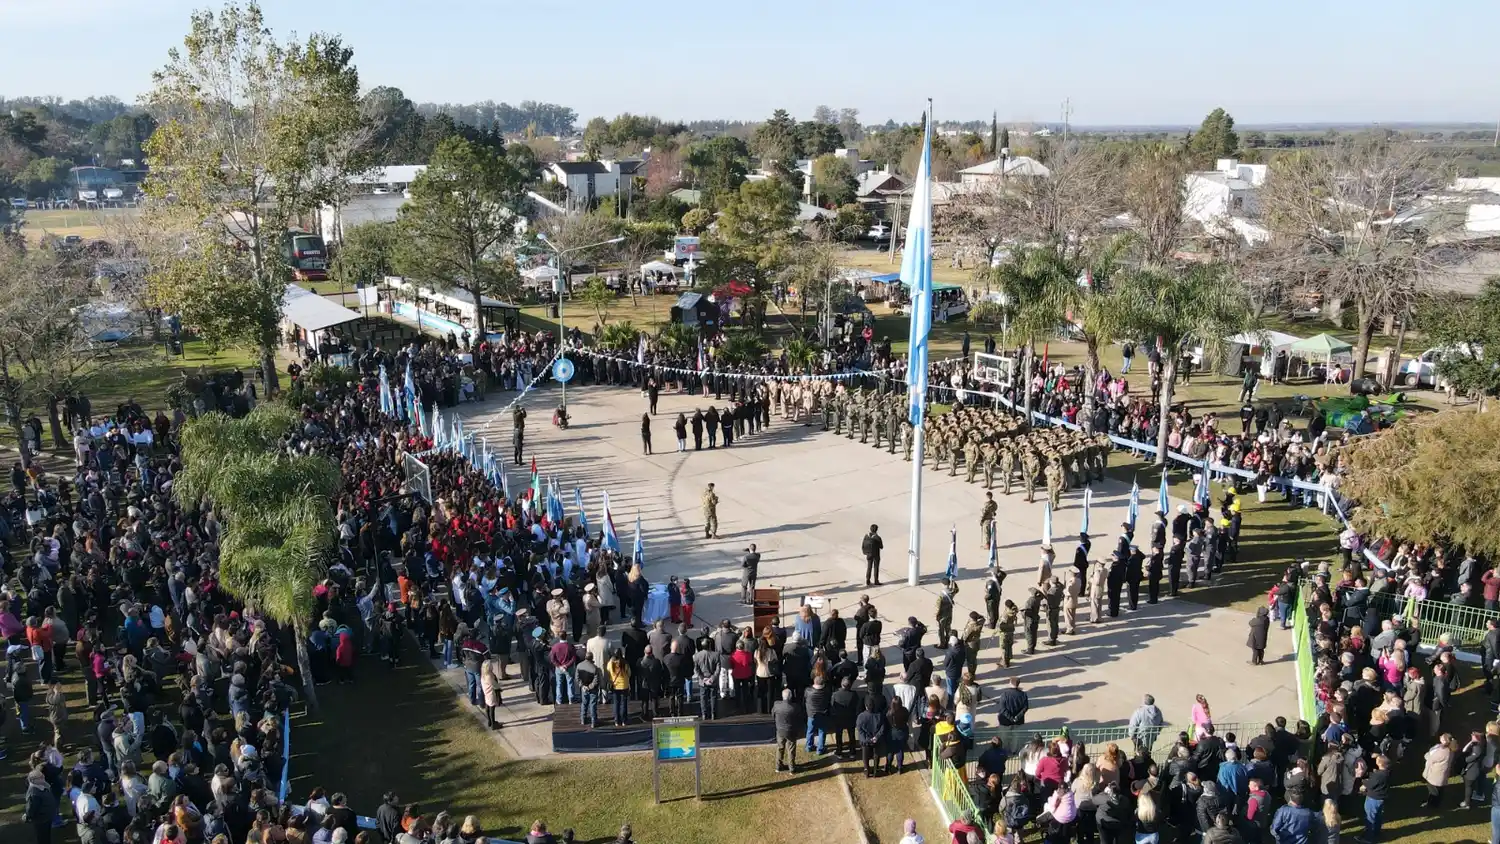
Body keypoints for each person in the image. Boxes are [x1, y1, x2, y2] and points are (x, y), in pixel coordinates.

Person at [772, 688, 804, 774]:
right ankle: (792, 768)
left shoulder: (776, 705)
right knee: (791, 749)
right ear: (790, 697)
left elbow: (773, 715)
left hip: (780, 730)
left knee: (780, 748)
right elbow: (800, 719)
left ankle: (778, 766)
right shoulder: (796, 707)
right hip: (791, 731)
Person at [856, 696, 887, 777]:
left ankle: (866, 770)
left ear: (866, 706)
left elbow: (859, 729)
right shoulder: (879, 715)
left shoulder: (861, 716)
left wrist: (867, 739)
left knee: (865, 755)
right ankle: (876, 770)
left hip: (865, 740)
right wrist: (876, 737)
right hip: (876, 739)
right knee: (876, 754)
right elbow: (882, 727)